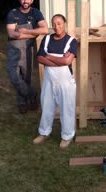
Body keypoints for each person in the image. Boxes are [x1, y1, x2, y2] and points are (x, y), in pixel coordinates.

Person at [33, 14, 77, 149]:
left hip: (65, 82)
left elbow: (67, 61)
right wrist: (59, 61)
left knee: (66, 109)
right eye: (54, 24)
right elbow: (39, 58)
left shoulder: (71, 41)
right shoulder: (46, 39)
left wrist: (49, 56)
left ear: (64, 24)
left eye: (59, 23)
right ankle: (44, 132)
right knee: (46, 107)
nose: (56, 27)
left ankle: (67, 136)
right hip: (49, 81)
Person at [6, 0, 48, 114]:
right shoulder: (13, 13)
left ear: (32, 0)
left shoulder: (36, 13)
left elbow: (45, 29)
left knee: (26, 76)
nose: (25, 1)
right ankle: (32, 94)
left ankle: (22, 102)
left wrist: (25, 31)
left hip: (28, 49)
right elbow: (11, 33)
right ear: (20, 0)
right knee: (13, 76)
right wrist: (32, 34)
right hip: (14, 48)